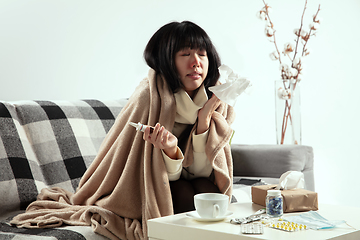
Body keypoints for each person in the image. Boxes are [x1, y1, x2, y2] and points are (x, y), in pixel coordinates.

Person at [11, 21, 235, 240]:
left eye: (201, 54)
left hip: (186, 180)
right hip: (148, 186)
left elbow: (203, 172)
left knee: (209, 191)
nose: (196, 62)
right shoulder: (150, 97)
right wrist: (170, 150)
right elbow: (153, 173)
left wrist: (204, 121)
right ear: (168, 60)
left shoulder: (216, 101)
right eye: (185, 55)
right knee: (184, 193)